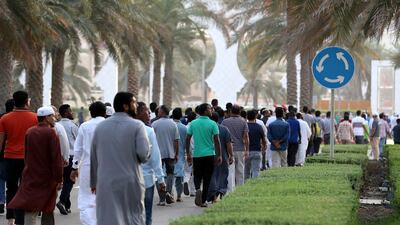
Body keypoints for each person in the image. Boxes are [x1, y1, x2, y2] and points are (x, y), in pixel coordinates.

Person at [90, 92, 150, 225]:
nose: (136, 105)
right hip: (130, 181)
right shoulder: (137, 126)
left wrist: (94, 182)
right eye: (134, 102)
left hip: (105, 182)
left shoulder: (101, 127)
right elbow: (143, 154)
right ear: (126, 106)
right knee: (133, 217)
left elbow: (93, 157)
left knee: (109, 218)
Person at [8, 106, 63, 225]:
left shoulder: (30, 132)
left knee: (30, 208)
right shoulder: (51, 133)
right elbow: (56, 159)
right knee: (48, 209)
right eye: (52, 116)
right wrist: (59, 178)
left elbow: (26, 156)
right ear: (47, 118)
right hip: (47, 178)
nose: (54, 119)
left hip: (31, 175)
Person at [0, 91, 38, 225]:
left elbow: (1, 140)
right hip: (28, 159)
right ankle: (23, 219)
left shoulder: (5, 118)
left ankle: (11, 218)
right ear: (27, 101)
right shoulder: (35, 118)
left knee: (11, 188)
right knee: (26, 188)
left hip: (10, 157)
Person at [70, 102, 106, 225]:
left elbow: (78, 149)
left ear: (91, 113)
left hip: (88, 168)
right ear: (105, 112)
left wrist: (74, 167)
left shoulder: (85, 126)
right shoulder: (109, 126)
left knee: (87, 199)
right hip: (108, 167)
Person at [186, 103, 222, 207]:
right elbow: (216, 140)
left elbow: (187, 138)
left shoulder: (193, 123)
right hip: (209, 154)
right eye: (210, 109)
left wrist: (188, 154)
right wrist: (219, 155)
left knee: (197, 175)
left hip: (197, 154)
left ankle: (197, 189)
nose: (212, 110)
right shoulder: (213, 124)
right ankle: (203, 201)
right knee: (207, 178)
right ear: (205, 111)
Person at [135, 102, 165, 225]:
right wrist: (161, 179)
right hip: (146, 179)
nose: (149, 114)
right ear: (138, 113)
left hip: (127, 179)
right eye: (146, 111)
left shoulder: (123, 130)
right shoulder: (148, 131)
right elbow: (155, 157)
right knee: (147, 213)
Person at [152, 105, 180, 205]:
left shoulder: (154, 124)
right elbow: (176, 141)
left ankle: (162, 198)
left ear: (163, 112)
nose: (157, 113)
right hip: (170, 153)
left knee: (158, 175)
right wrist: (176, 153)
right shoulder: (173, 124)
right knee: (170, 173)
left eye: (159, 111)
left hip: (157, 154)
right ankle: (168, 191)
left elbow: (151, 139)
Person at [57, 104, 79, 215]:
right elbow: (78, 141)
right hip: (70, 157)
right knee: (70, 181)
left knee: (66, 181)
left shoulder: (56, 125)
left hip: (59, 157)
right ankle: (61, 201)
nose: (72, 113)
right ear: (66, 113)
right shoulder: (73, 126)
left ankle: (67, 205)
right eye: (70, 111)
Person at [207, 112, 233, 202]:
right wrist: (231, 155)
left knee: (212, 176)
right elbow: (228, 144)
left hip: (209, 155)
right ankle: (221, 192)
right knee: (223, 175)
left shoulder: (207, 129)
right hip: (223, 156)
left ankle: (213, 195)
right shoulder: (224, 129)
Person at [221, 104, 249, 186]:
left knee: (230, 170)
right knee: (240, 170)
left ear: (230, 111)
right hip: (240, 149)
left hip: (228, 149)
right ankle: (240, 188)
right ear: (239, 112)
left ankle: (230, 189)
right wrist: (247, 149)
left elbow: (222, 135)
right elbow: (246, 137)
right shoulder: (243, 121)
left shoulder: (225, 122)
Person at [0, 99, 14, 214]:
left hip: (2, 155)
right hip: (13, 154)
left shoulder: (1, 118)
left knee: (1, 179)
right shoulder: (13, 118)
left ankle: (1, 201)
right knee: (13, 182)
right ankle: (14, 204)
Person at [171, 108, 187, 203]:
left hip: (170, 154)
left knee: (169, 175)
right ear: (181, 116)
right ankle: (179, 195)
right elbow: (186, 142)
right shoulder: (184, 128)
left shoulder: (170, 125)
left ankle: (170, 193)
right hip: (180, 153)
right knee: (179, 176)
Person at [244, 110, 266, 179]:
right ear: (256, 116)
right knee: (256, 171)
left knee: (246, 171)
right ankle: (254, 185)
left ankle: (245, 186)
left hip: (246, 152)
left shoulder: (244, 126)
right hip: (257, 151)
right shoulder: (259, 127)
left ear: (247, 117)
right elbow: (263, 139)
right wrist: (264, 147)